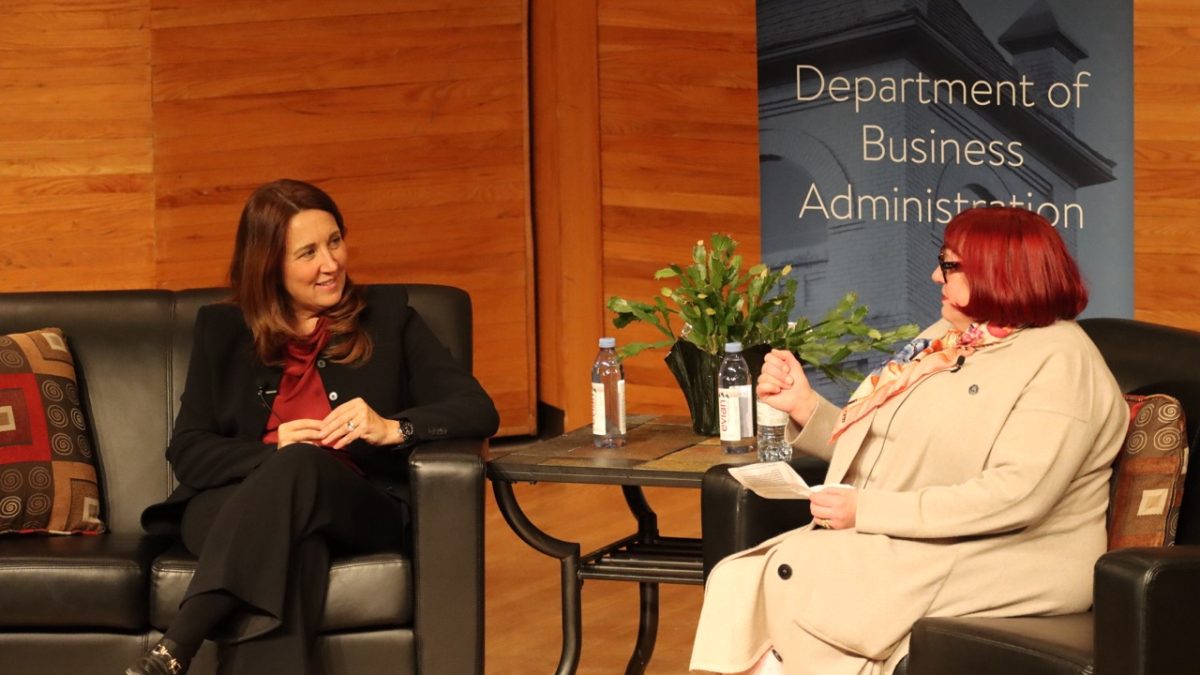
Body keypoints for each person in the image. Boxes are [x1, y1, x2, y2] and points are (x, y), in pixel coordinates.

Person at [690, 207, 1129, 675]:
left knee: (799, 576)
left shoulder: (1062, 361)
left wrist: (867, 511)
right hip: (936, 536)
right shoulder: (952, 337)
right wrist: (806, 408)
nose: (934, 275)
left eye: (949, 263)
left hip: (1016, 555)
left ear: (998, 270)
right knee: (739, 578)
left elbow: (1017, 497)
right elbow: (893, 447)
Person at [126, 179, 500, 675]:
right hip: (233, 503)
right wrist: (273, 447)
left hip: (356, 503)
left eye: (335, 242)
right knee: (294, 542)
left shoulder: (387, 316)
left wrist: (393, 427)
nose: (331, 264)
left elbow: (477, 408)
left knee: (304, 464)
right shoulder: (222, 331)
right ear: (269, 266)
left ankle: (180, 641)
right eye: (308, 253)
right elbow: (189, 449)